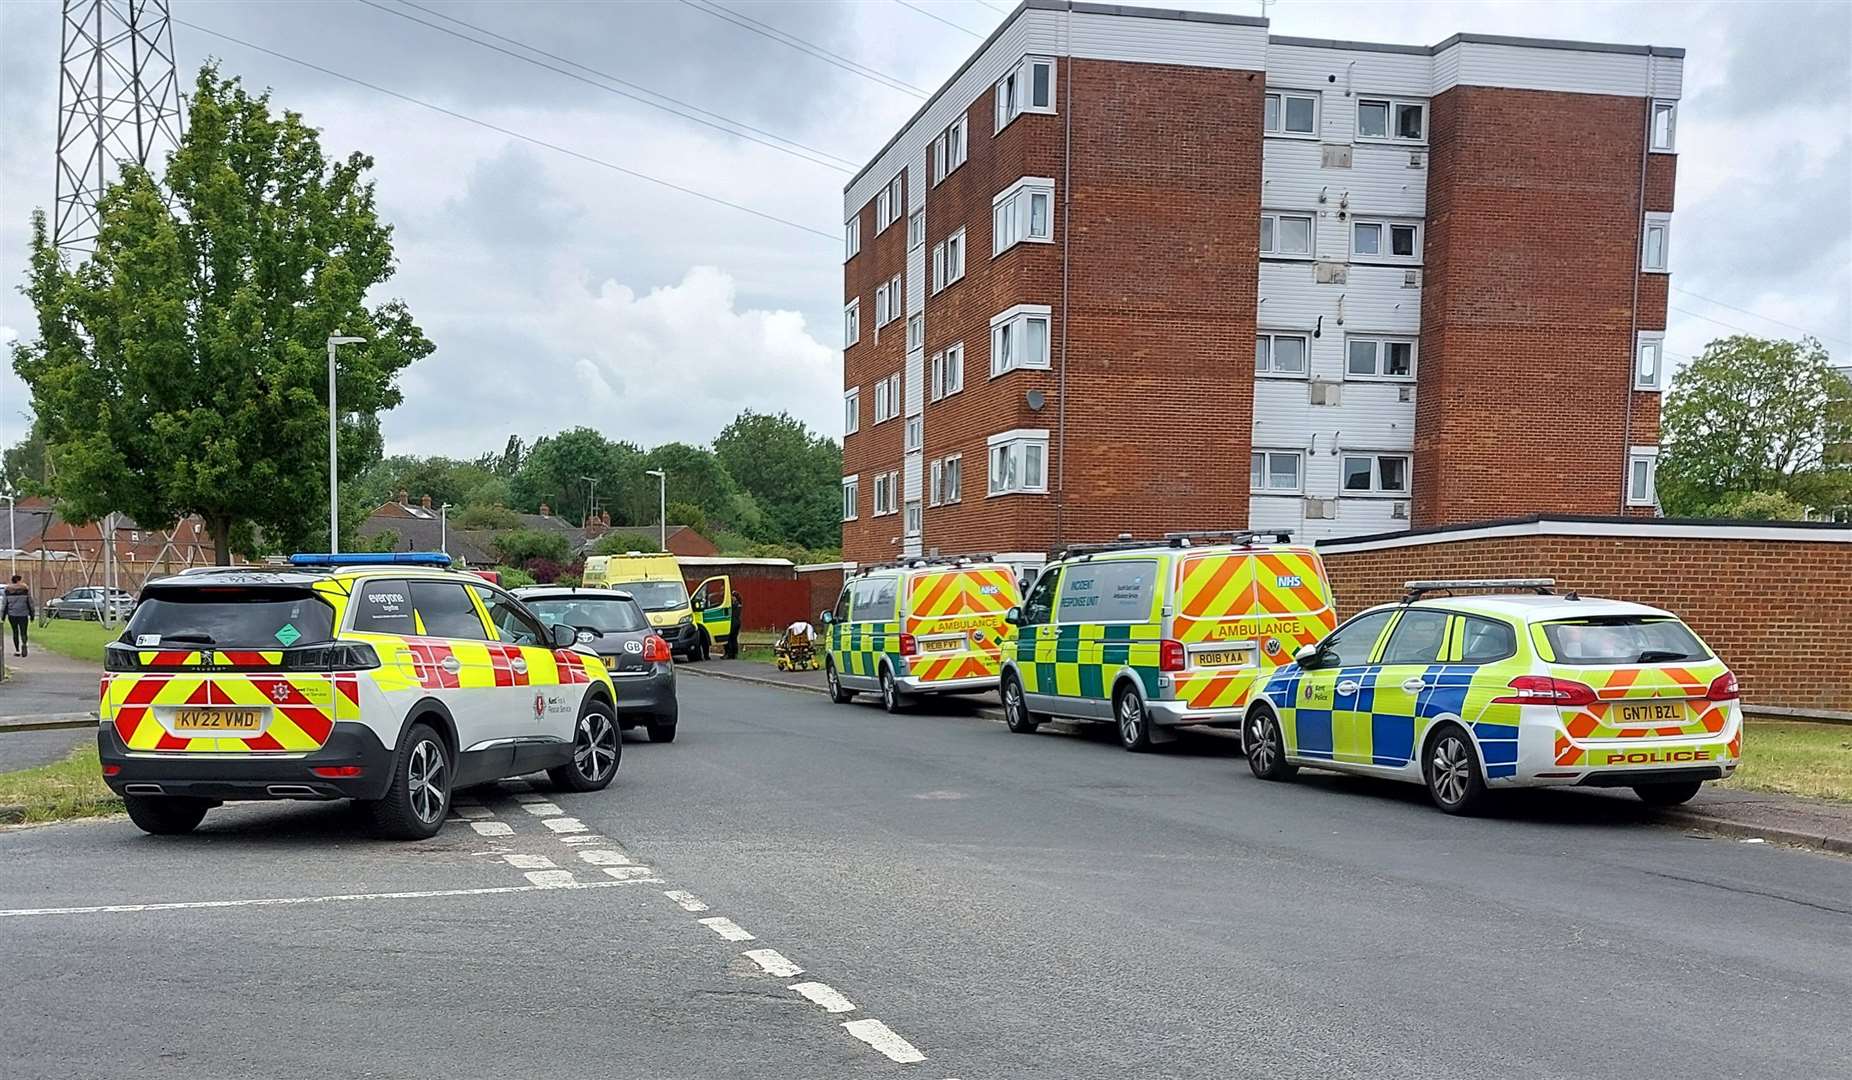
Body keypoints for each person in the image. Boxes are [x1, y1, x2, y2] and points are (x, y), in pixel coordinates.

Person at [3, 575, 33, 658]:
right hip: (23, 614)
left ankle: (17, 650)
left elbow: (5, 603)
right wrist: (32, 614)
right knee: (24, 631)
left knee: (15, 631)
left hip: (12, 614)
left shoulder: (8, 590)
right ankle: (24, 643)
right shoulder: (25, 589)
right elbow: (30, 602)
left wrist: (3, 616)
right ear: (19, 580)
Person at [726, 589, 743, 659]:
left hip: (734, 622)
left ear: (734, 597)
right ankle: (735, 654)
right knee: (734, 639)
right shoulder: (739, 604)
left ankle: (730, 654)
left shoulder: (734, 605)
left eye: (732, 596)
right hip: (737, 622)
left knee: (730, 638)